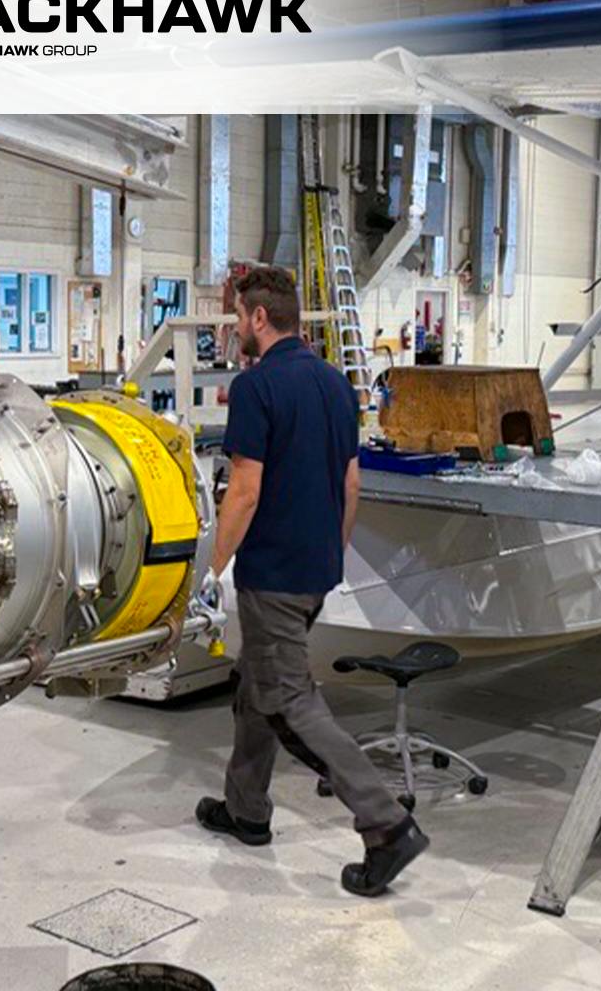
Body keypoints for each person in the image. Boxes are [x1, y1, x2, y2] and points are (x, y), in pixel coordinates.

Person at [194, 264, 429, 897]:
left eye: (238, 317)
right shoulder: (333, 382)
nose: (235, 328)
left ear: (260, 319)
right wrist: (332, 549)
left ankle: (386, 826)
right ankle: (246, 808)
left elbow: (243, 492)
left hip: (272, 574)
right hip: (318, 567)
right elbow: (350, 483)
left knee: (290, 701)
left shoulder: (256, 387)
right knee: (256, 682)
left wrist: (206, 571)